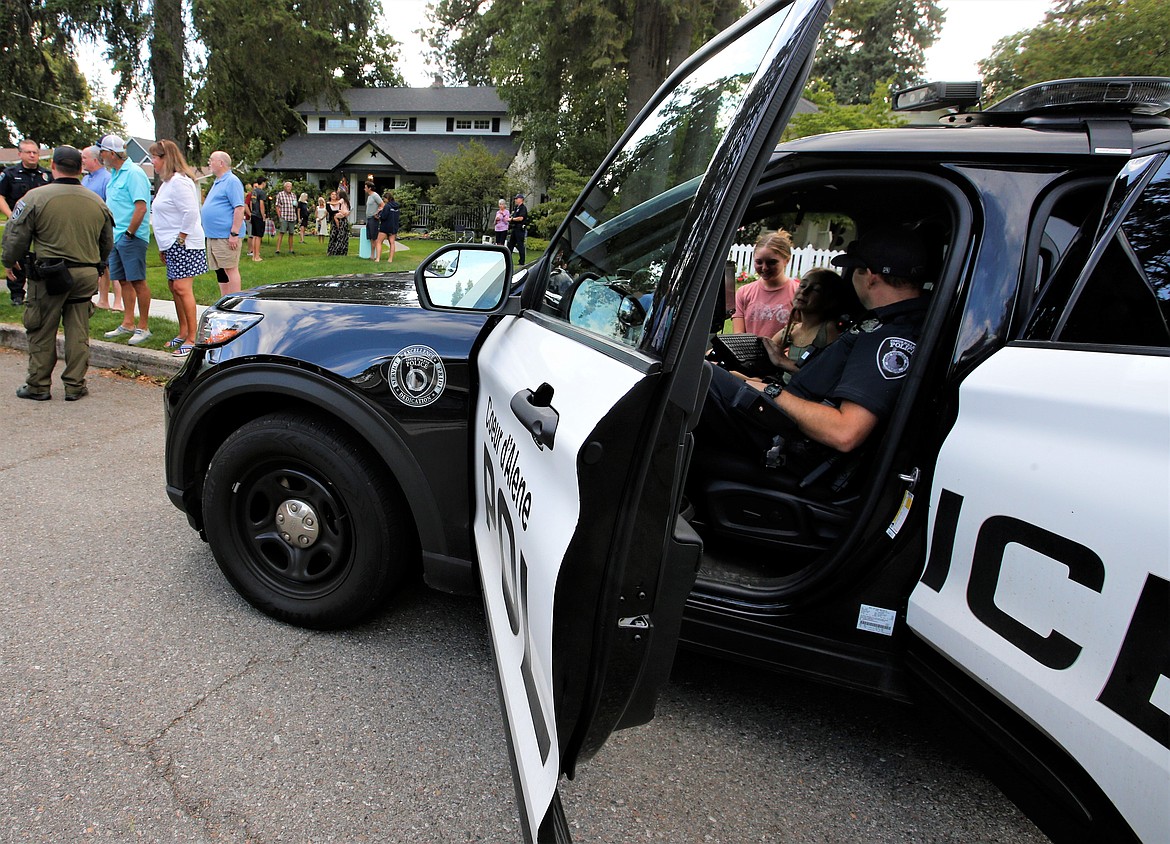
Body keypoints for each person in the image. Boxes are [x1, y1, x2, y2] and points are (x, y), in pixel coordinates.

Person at [703, 227, 931, 465]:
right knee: (713, 373)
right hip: (788, 418)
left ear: (870, 276)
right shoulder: (886, 322)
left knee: (697, 376)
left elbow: (845, 432)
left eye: (854, 269)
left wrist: (768, 392)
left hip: (788, 441)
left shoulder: (890, 337)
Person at [2, 145, 113, 401]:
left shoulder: (35, 197)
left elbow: (16, 235)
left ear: (53, 167)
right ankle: (75, 384)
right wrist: (98, 264)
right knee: (78, 328)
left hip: (49, 274)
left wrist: (9, 260)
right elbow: (107, 242)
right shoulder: (96, 201)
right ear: (79, 169)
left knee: (41, 327)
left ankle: (38, 384)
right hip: (85, 274)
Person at [149, 140, 207, 358]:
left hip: (185, 244)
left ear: (166, 158)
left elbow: (191, 212)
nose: (153, 161)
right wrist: (165, 246)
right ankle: (183, 332)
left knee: (183, 288)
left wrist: (180, 239)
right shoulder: (167, 182)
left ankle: (193, 338)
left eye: (155, 157)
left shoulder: (180, 182)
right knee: (174, 287)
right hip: (171, 245)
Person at [98, 134, 153, 346]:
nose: (100, 155)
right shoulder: (114, 174)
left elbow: (141, 207)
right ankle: (128, 323)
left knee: (138, 280)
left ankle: (144, 327)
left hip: (131, 237)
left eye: (102, 151)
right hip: (116, 236)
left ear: (112, 154)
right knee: (123, 281)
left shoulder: (134, 173)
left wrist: (130, 233)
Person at [761, 267, 849, 386]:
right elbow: (766, 347)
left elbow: (827, 379)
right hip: (785, 389)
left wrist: (784, 362)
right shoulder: (792, 329)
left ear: (830, 300)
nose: (804, 291)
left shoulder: (829, 330)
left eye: (816, 290)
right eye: (802, 285)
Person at [0, 138, 53, 305]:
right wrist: (12, 217)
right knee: (17, 255)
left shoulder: (46, 175)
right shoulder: (9, 174)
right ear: (20, 154)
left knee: (41, 256)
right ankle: (16, 294)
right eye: (28, 152)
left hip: (41, 223)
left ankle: (38, 292)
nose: (32, 155)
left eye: (35, 152)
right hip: (19, 222)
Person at [733, 229, 797, 338]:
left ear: (787, 260)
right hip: (749, 354)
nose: (764, 268)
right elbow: (739, 335)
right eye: (759, 262)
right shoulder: (744, 292)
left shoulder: (797, 293)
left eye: (772, 262)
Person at [201, 150, 246, 297]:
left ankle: (235, 302)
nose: (209, 163)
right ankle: (224, 300)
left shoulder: (232, 181)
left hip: (226, 236)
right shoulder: (218, 182)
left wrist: (234, 233)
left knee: (230, 268)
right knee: (220, 270)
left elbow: (239, 208)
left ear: (221, 163)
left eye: (211, 160)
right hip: (213, 235)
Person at [80, 145, 117, 310]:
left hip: (101, 228)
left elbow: (109, 206)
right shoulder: (85, 179)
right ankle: (102, 299)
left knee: (110, 265)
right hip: (86, 229)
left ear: (95, 160)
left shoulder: (107, 179)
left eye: (84, 158)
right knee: (96, 265)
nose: (82, 161)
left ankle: (117, 301)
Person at [273, 181, 298, 255]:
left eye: (290, 187)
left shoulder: (293, 195)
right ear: (285, 187)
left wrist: (296, 204)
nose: (289, 188)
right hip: (284, 216)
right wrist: (279, 216)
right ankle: (277, 249)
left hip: (292, 216)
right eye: (288, 186)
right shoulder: (280, 195)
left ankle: (291, 249)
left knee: (291, 233)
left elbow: (295, 205)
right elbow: (277, 206)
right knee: (281, 232)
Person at [248, 176, 268, 261]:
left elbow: (251, 203)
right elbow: (261, 204)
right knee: (259, 236)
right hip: (259, 215)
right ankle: (257, 256)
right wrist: (263, 215)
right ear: (263, 183)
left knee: (254, 235)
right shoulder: (261, 192)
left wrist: (252, 212)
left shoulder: (254, 192)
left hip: (253, 214)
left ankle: (253, 255)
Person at [377, 190, 400, 263]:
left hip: (385, 227)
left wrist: (380, 211)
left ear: (387, 198)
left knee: (379, 242)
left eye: (384, 199)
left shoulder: (387, 206)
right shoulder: (397, 206)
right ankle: (390, 259)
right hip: (394, 227)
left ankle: (377, 258)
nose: (383, 200)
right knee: (392, 243)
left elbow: (383, 216)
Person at [364, 182, 384, 260]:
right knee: (371, 237)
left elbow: (382, 205)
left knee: (374, 237)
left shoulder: (375, 195)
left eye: (365, 187)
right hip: (368, 218)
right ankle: (372, 255)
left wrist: (377, 213)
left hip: (373, 219)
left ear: (369, 188)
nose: (364, 189)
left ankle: (376, 255)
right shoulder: (369, 197)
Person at [327, 189, 350, 256]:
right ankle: (332, 251)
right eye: (332, 194)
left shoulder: (341, 201)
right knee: (334, 236)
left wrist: (329, 203)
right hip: (336, 219)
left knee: (341, 236)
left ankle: (341, 251)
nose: (335, 196)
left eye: (336, 194)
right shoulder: (345, 201)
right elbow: (331, 212)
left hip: (342, 218)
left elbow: (346, 211)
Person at [508, 193, 529, 265]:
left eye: (517, 199)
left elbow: (521, 218)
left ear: (521, 199)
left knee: (520, 245)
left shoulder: (523, 208)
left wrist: (512, 219)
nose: (515, 200)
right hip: (515, 228)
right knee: (510, 244)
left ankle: (522, 261)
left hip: (520, 229)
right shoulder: (516, 208)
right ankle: (507, 259)